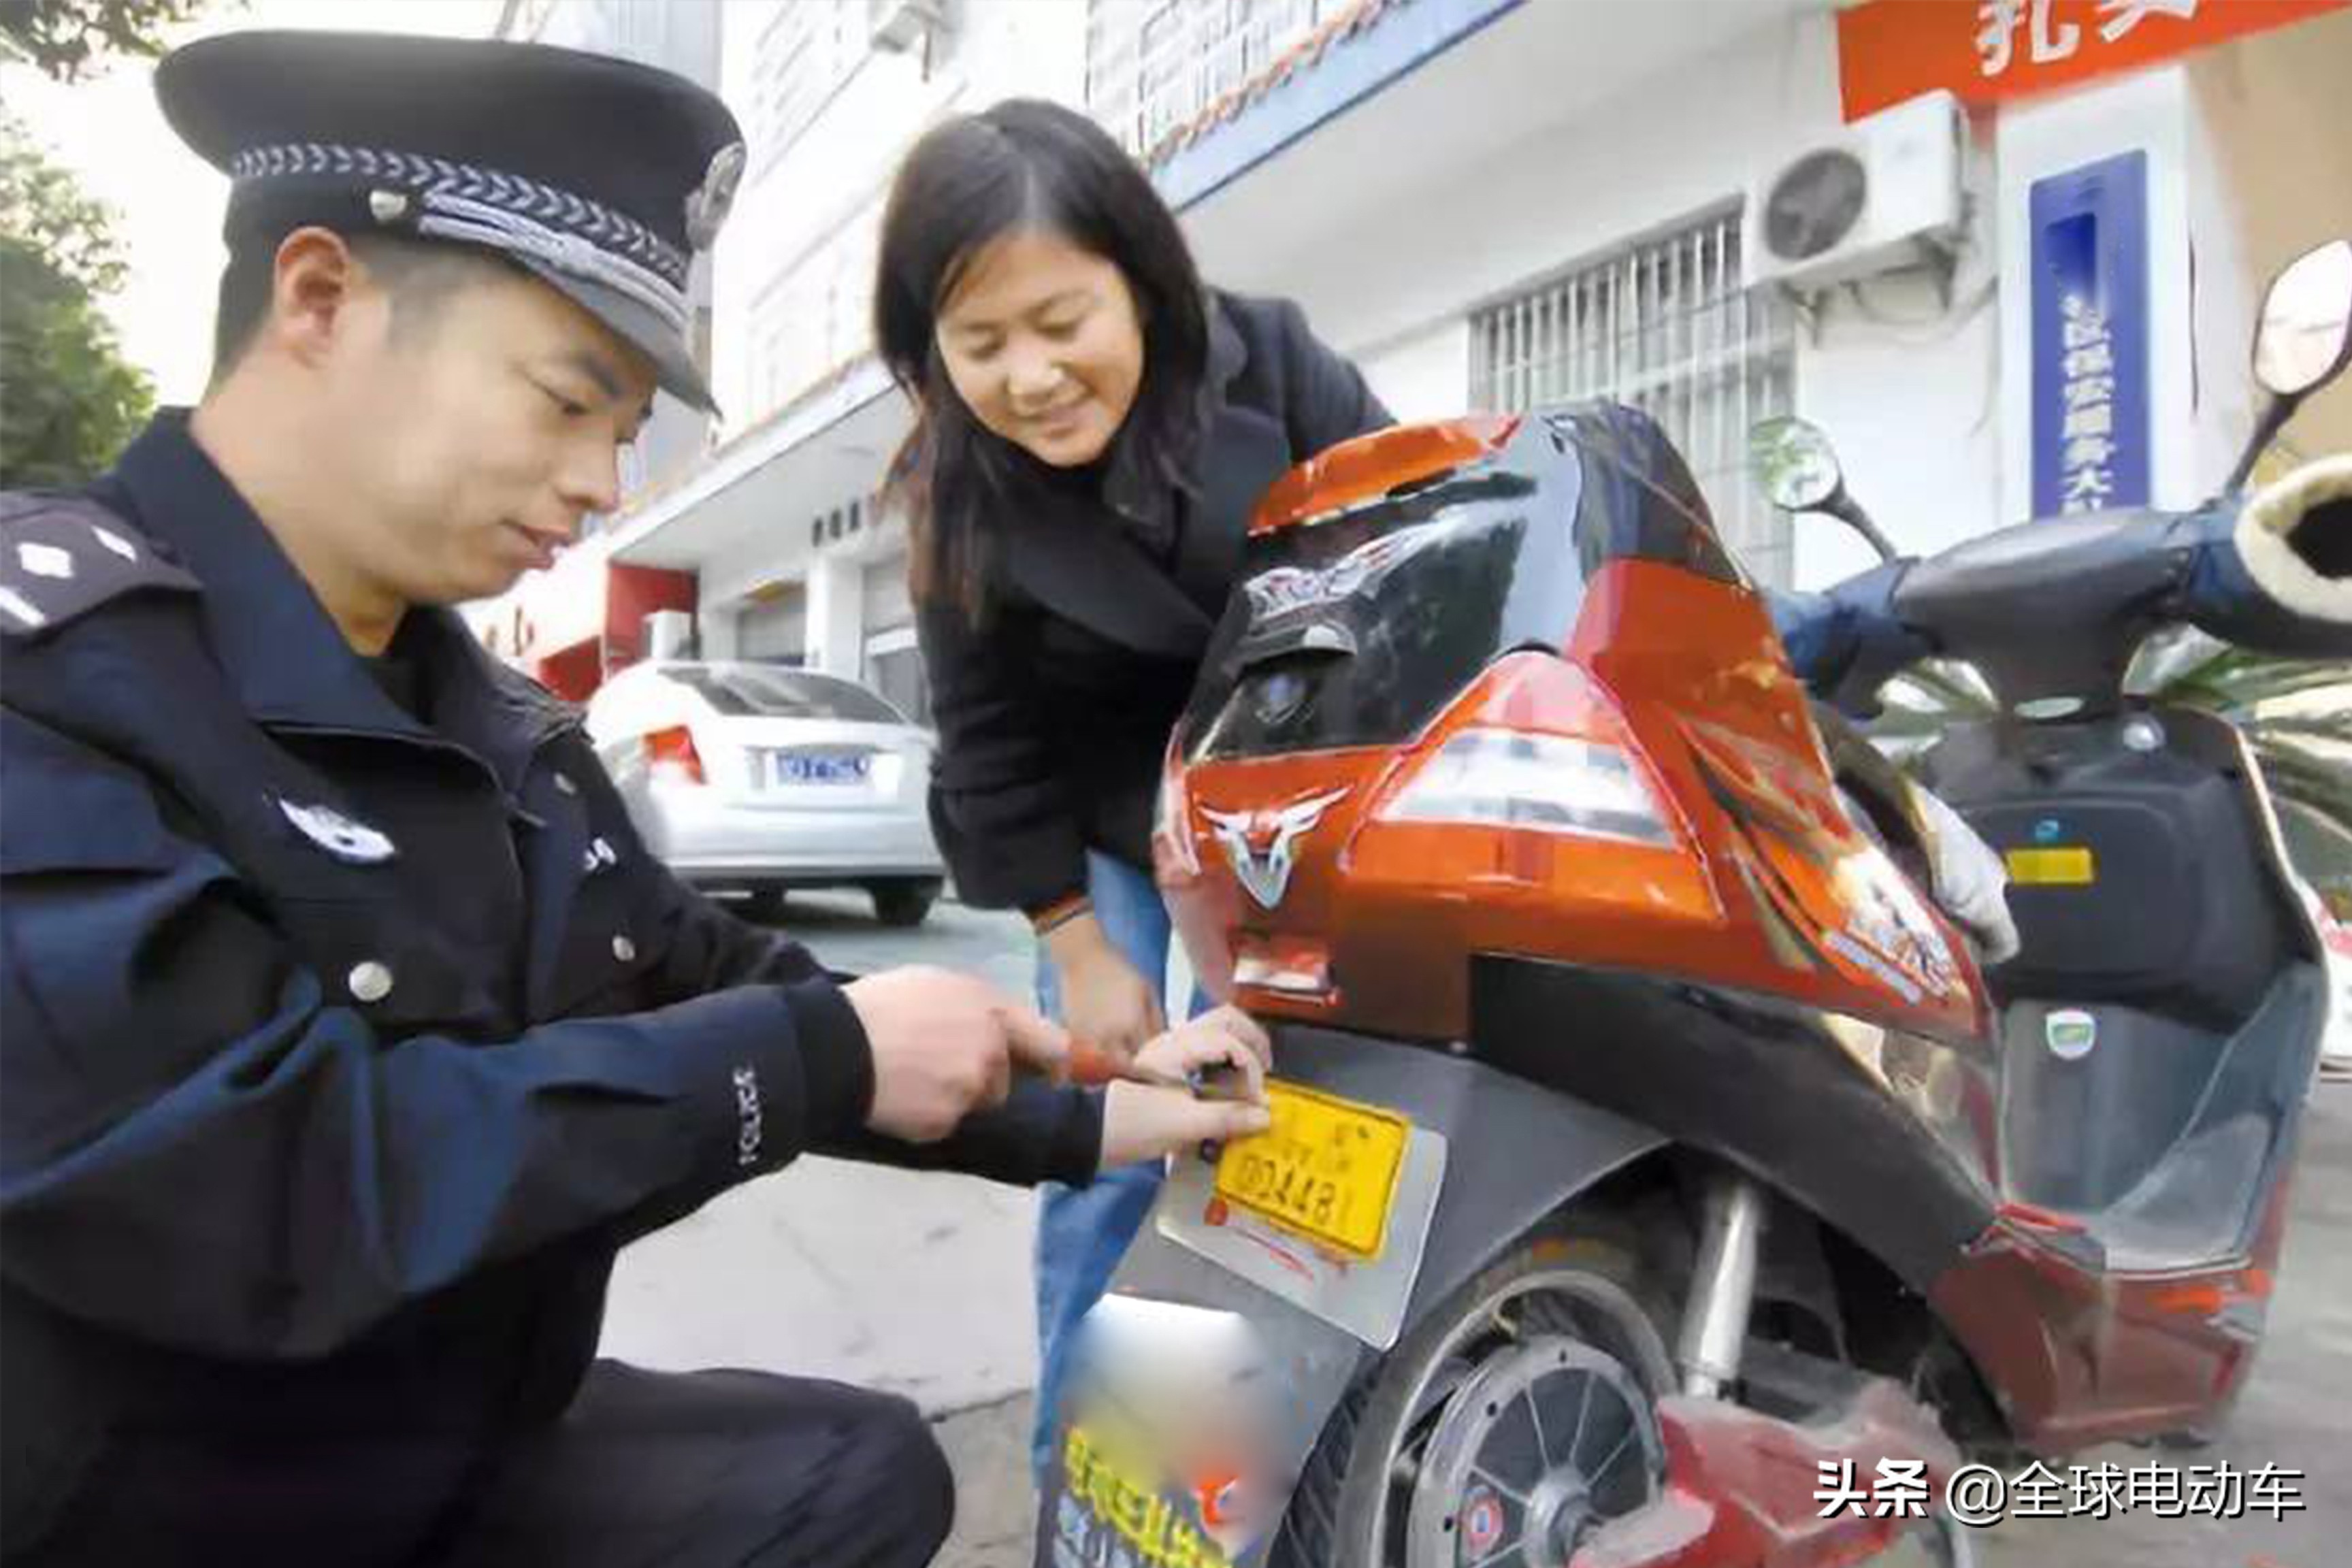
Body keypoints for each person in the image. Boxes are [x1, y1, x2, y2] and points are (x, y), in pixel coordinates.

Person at [0, 31, 1273, 1568]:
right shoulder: (52, 679)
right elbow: (268, 1185)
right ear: (322, 299)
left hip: (448, 1439)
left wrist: (1113, 1105)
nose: (608, 484)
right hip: (162, 1497)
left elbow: (730, 979)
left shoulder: (501, 728)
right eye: (569, 400)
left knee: (856, 1478)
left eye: (626, 432)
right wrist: (806, 1055)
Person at [870, 98, 1394, 1471]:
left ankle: (1287, 1470)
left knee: (1309, 1135)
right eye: (978, 345)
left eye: (1061, 323)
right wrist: (1080, 950)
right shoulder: (955, 485)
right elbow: (986, 743)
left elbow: (1415, 550)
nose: (1029, 377)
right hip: (1102, 845)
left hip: (1307, 816)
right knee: (1110, 1158)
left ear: (1141, 283)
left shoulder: (1273, 363)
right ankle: (1079, 1494)